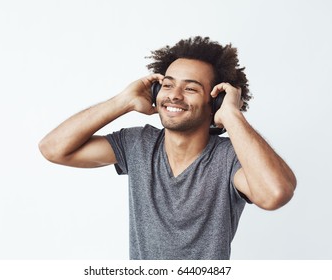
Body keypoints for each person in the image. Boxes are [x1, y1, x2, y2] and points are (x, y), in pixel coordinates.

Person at [39, 36, 297, 260]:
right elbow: (54, 149)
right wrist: (123, 102)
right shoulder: (138, 144)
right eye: (167, 85)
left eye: (191, 88)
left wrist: (232, 115)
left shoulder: (230, 158)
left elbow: (275, 194)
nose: (174, 95)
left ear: (215, 101)